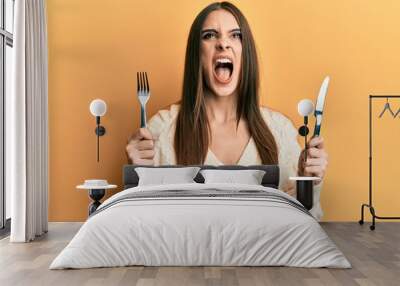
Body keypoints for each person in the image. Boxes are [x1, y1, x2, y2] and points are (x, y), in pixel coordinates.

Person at [126, 2, 328, 219]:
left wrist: (310, 182)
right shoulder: (161, 129)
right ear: (197, 54)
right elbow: (143, 219)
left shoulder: (279, 129)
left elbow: (305, 220)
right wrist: (136, 175)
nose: (223, 43)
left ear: (246, 53)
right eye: (210, 35)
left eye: (235, 35)